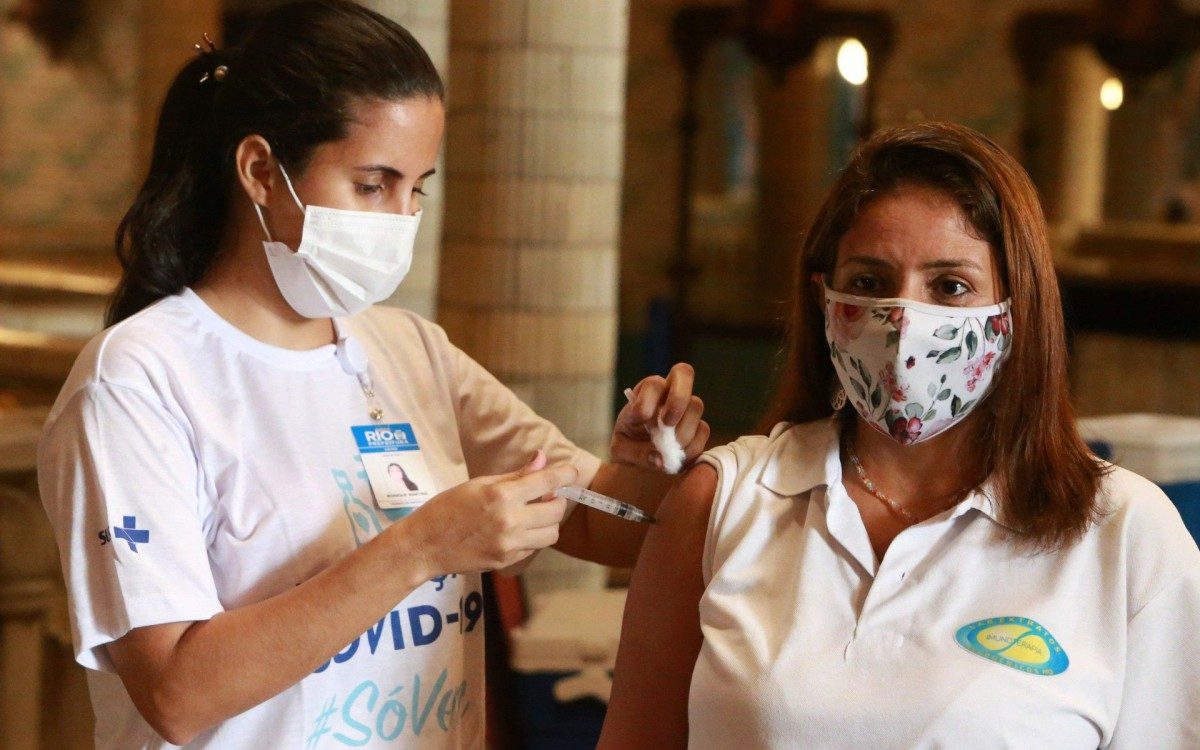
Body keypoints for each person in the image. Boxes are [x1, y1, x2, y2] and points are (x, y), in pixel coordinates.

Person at [36, 3, 708, 748]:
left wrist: (647, 469)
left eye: (417, 187)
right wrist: (419, 547)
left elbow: (589, 517)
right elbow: (177, 692)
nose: (400, 217)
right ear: (261, 171)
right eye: (372, 183)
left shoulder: (407, 349)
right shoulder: (139, 380)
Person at [599, 122, 1200, 749]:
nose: (905, 319)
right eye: (868, 282)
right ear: (824, 300)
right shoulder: (722, 502)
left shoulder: (1124, 532)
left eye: (951, 286)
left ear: (1015, 311)